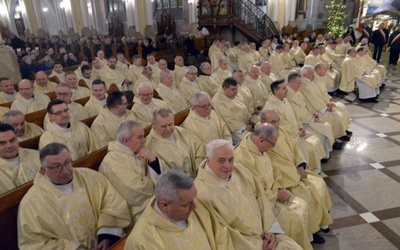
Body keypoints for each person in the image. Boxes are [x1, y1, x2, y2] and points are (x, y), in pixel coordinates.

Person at [18, 143, 132, 249]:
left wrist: (106, 237)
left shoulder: (90, 177)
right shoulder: (31, 203)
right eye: (57, 166)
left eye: (68, 162)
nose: (65, 170)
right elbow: (34, 243)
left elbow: (113, 204)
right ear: (43, 170)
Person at [195, 139, 302, 249]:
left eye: (231, 160)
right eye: (221, 161)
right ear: (208, 161)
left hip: (266, 236)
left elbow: (261, 200)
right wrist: (258, 245)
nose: (228, 166)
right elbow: (222, 234)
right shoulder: (202, 193)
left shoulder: (240, 171)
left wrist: (271, 231)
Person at [234, 123, 319, 249]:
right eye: (272, 144)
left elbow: (275, 171)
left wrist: (279, 187)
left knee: (303, 205)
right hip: (263, 205)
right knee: (294, 218)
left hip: (273, 193)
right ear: (262, 140)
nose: (273, 147)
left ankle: (307, 238)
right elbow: (252, 191)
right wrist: (275, 195)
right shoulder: (243, 157)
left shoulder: (260, 148)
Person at [261, 109, 333, 235]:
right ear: (262, 122)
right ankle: (311, 231)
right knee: (307, 195)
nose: (277, 125)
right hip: (284, 179)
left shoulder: (280, 131)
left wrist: (300, 165)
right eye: (273, 122)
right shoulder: (262, 137)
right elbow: (272, 165)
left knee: (318, 182)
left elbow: (294, 148)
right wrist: (293, 175)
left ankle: (320, 220)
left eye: (278, 121)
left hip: (294, 171)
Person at [124, 169, 232, 249]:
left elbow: (220, 236)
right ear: (165, 205)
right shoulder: (142, 240)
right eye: (186, 205)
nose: (195, 207)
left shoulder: (191, 203)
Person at [99, 121, 164, 224]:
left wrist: (152, 159)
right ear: (126, 141)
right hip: (133, 212)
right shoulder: (112, 161)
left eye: (144, 136)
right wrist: (155, 183)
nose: (144, 140)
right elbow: (134, 192)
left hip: (151, 201)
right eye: (140, 137)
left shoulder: (135, 150)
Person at [146, 108, 205, 178]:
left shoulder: (180, 131)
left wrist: (199, 170)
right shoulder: (149, 145)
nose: (168, 129)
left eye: (170, 124)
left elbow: (199, 147)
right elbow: (161, 175)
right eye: (163, 126)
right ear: (153, 125)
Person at [0, 124, 41, 194]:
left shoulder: (36, 155)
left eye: (12, 140)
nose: (9, 146)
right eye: (2, 143)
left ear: (17, 138)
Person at [211, 77, 251, 145]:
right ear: (225, 89)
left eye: (236, 88)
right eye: (233, 89)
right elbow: (228, 119)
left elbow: (243, 106)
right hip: (234, 131)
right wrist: (244, 127)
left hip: (245, 124)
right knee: (251, 143)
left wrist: (250, 118)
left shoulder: (233, 94)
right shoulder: (218, 101)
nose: (235, 91)